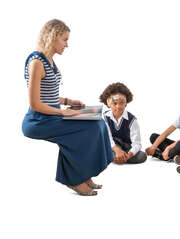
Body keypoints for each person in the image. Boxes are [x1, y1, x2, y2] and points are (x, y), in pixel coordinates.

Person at [22, 19, 113, 196]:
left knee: (98, 123)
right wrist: (63, 112)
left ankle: (83, 174)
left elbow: (47, 95)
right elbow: (35, 103)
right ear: (53, 37)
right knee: (89, 130)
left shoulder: (49, 60)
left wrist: (68, 101)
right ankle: (74, 180)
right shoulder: (36, 63)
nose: (67, 45)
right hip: (38, 121)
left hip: (51, 115)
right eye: (64, 39)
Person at [99, 82, 147, 164]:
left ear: (126, 103)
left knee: (142, 156)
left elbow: (137, 143)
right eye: (115, 103)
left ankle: (119, 158)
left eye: (122, 102)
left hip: (128, 147)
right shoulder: (105, 117)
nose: (118, 106)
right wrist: (117, 150)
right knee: (106, 146)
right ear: (108, 103)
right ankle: (116, 156)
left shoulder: (132, 120)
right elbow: (108, 138)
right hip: (114, 145)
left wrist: (129, 155)